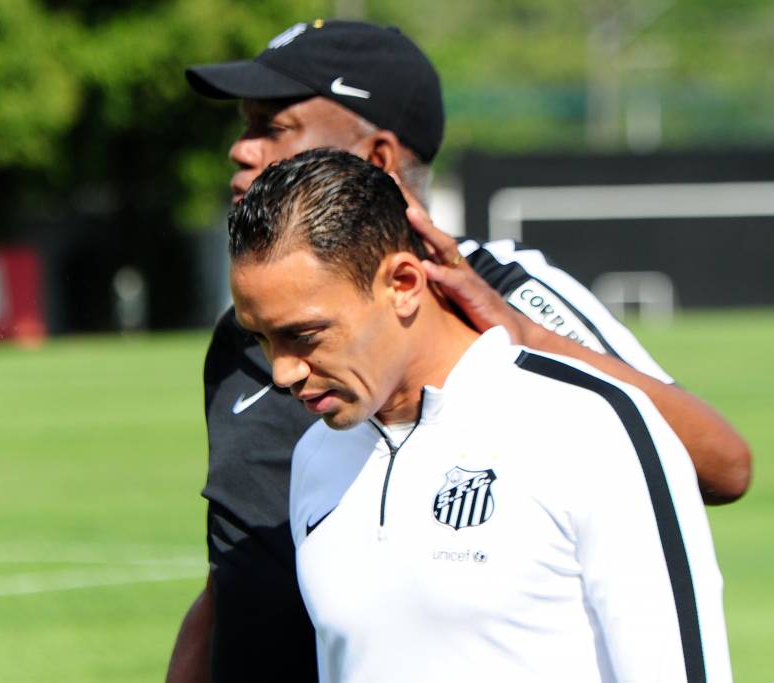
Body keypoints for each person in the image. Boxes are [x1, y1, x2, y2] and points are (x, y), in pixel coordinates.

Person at [168, 19, 750, 682]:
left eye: (275, 125)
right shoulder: (247, 335)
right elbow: (234, 565)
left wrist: (521, 335)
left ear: (378, 159)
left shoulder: (507, 293)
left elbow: (713, 461)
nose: (242, 150)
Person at [230, 148, 733, 682]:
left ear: (402, 285)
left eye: (303, 336)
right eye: (261, 339)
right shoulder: (316, 455)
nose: (282, 372)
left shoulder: (592, 428)